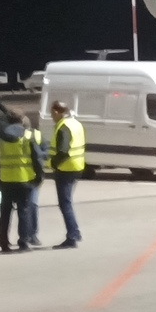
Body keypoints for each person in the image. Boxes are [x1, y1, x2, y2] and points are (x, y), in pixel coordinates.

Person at [0, 112, 44, 252]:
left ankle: (4, 243)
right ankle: (23, 242)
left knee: (5, 213)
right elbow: (36, 158)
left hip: (5, 179)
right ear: (22, 120)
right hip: (24, 178)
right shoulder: (28, 136)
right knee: (24, 211)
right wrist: (39, 177)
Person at [45, 99, 85, 249]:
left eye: (51, 113)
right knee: (67, 202)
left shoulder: (64, 127)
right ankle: (75, 232)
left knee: (65, 204)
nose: (51, 116)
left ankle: (72, 235)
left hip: (65, 168)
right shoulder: (76, 123)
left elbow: (63, 151)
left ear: (57, 112)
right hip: (77, 166)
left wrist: (52, 164)